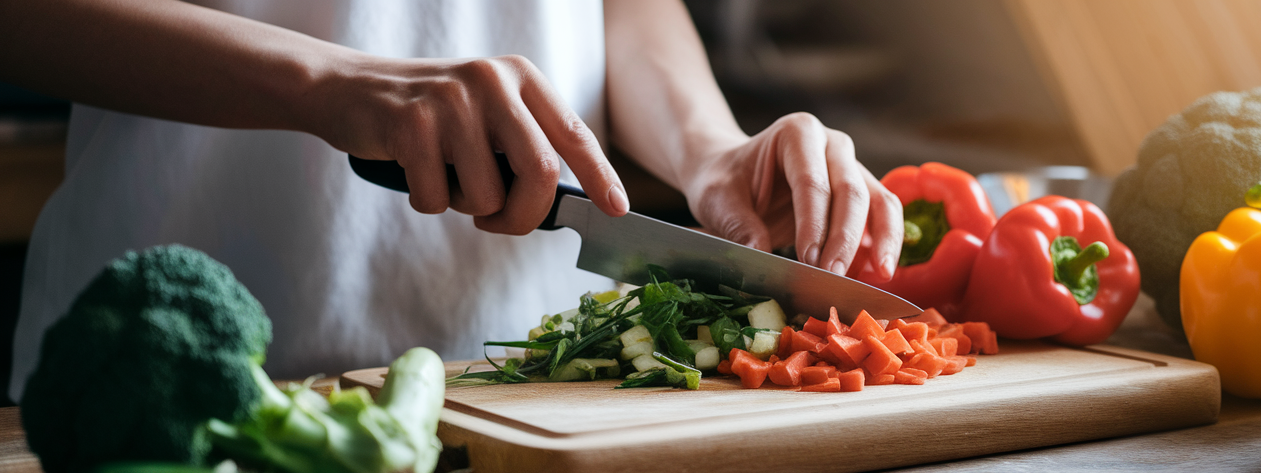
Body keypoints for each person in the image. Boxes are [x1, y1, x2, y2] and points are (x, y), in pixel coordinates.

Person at [0, 0, 904, 400]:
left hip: (531, 398)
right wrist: (328, 79)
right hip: (160, 379)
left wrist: (708, 150)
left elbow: (624, 5)